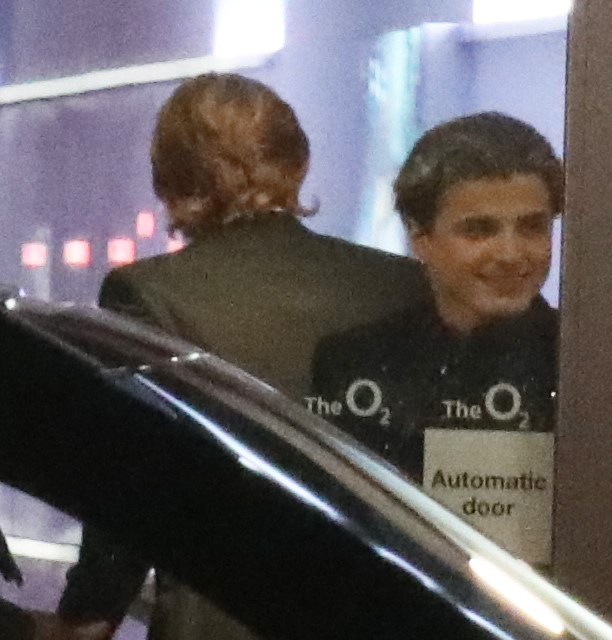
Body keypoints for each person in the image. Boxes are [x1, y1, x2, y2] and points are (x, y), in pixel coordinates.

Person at [53, 73, 426, 640]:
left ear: (171, 179)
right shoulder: (401, 285)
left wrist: (87, 617)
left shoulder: (148, 294)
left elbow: (131, 484)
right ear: (297, 162)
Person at [311, 112, 562, 482]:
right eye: (479, 230)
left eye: (532, 227)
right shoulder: (353, 362)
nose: (511, 253)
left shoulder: (580, 365)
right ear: (419, 237)